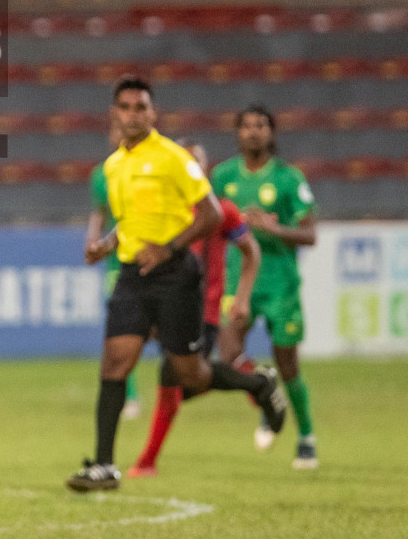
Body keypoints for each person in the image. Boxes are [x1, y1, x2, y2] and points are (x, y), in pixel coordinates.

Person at [67, 77, 286, 493]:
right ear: (115, 114)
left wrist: (168, 249)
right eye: (126, 107)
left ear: (153, 113)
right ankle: (104, 465)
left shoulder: (172, 157)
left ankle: (259, 383)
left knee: (191, 375)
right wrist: (106, 245)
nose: (133, 114)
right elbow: (129, 221)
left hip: (176, 276)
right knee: (115, 364)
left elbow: (211, 215)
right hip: (133, 275)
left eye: (141, 107)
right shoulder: (114, 166)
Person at [126, 140, 262, 478]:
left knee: (176, 380)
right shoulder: (165, 213)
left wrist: (242, 297)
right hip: (171, 306)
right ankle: (250, 377)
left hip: (205, 311)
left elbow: (251, 252)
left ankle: (255, 382)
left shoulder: (221, 212)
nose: (192, 168)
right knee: (178, 382)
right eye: (186, 162)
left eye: (198, 162)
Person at [214, 105, 320, 470]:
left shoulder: (290, 179)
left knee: (288, 363)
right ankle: (265, 393)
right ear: (237, 133)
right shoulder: (223, 176)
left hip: (280, 284)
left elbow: (310, 234)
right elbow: (208, 221)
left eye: (261, 125)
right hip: (238, 280)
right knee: (227, 354)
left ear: (272, 133)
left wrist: (276, 229)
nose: (253, 132)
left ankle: (306, 436)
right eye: (246, 126)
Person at [84, 122, 140, 421]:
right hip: (116, 262)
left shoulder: (147, 169)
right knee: (119, 328)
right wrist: (93, 242)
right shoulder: (102, 173)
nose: (116, 134)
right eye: (114, 130)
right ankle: (129, 395)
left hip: (148, 256)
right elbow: (99, 211)